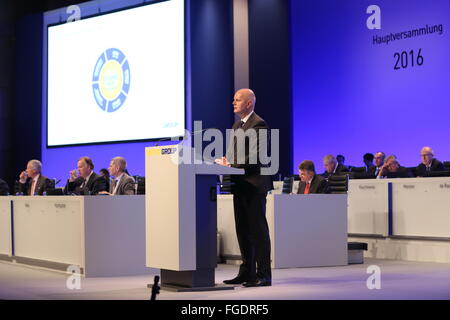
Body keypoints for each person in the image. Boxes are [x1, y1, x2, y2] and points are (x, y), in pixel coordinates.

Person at [215, 88, 273, 287]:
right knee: (243, 230)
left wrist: (231, 165)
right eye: (233, 99)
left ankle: (264, 274)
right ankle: (247, 272)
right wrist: (226, 160)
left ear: (249, 103)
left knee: (258, 231)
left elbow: (256, 157)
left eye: (237, 100)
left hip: (255, 185)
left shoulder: (259, 124)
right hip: (240, 185)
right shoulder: (236, 125)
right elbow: (235, 155)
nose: (233, 102)